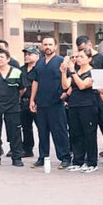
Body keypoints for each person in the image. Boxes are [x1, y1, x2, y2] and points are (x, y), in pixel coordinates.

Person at [29, 37, 71, 169]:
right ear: (42, 46)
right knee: (42, 132)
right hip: (41, 103)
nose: (47, 46)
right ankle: (43, 157)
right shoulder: (39, 63)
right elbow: (35, 81)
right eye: (45, 44)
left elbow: (70, 80)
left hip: (56, 102)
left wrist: (66, 94)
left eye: (50, 44)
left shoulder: (61, 61)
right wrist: (32, 99)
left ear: (55, 46)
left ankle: (65, 157)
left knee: (60, 131)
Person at [76, 35, 103, 165]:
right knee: (87, 129)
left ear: (90, 45)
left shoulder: (101, 58)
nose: (82, 51)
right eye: (79, 49)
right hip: (85, 98)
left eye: (84, 48)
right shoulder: (79, 62)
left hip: (99, 96)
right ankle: (85, 154)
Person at [61, 48, 99, 172]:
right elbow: (66, 86)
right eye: (76, 57)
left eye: (81, 57)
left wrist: (72, 72)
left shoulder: (92, 72)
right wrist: (63, 72)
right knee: (75, 133)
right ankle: (78, 160)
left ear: (89, 59)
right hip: (74, 105)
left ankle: (92, 162)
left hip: (88, 106)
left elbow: (83, 85)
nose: (78, 59)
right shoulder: (75, 72)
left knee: (89, 134)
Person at [19, 46, 40, 157]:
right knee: (26, 127)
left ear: (37, 56)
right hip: (23, 101)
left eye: (30, 54)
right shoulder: (21, 69)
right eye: (25, 54)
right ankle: (27, 148)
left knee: (41, 127)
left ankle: (43, 151)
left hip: (37, 102)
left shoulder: (40, 68)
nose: (27, 56)